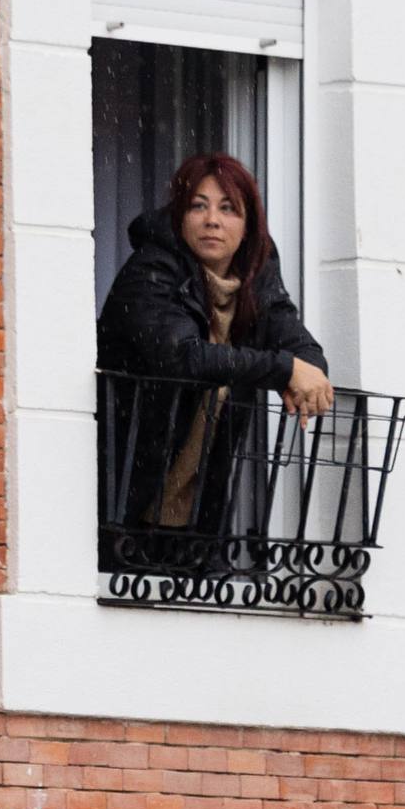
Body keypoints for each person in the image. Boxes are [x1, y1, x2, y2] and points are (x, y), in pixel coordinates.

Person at [95, 153, 332, 575]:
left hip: (197, 525)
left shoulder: (256, 277)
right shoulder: (150, 270)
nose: (212, 220)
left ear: (247, 224)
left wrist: (308, 371)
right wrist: (282, 371)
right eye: (198, 205)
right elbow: (182, 357)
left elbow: (294, 338)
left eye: (228, 208)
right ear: (180, 216)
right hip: (121, 506)